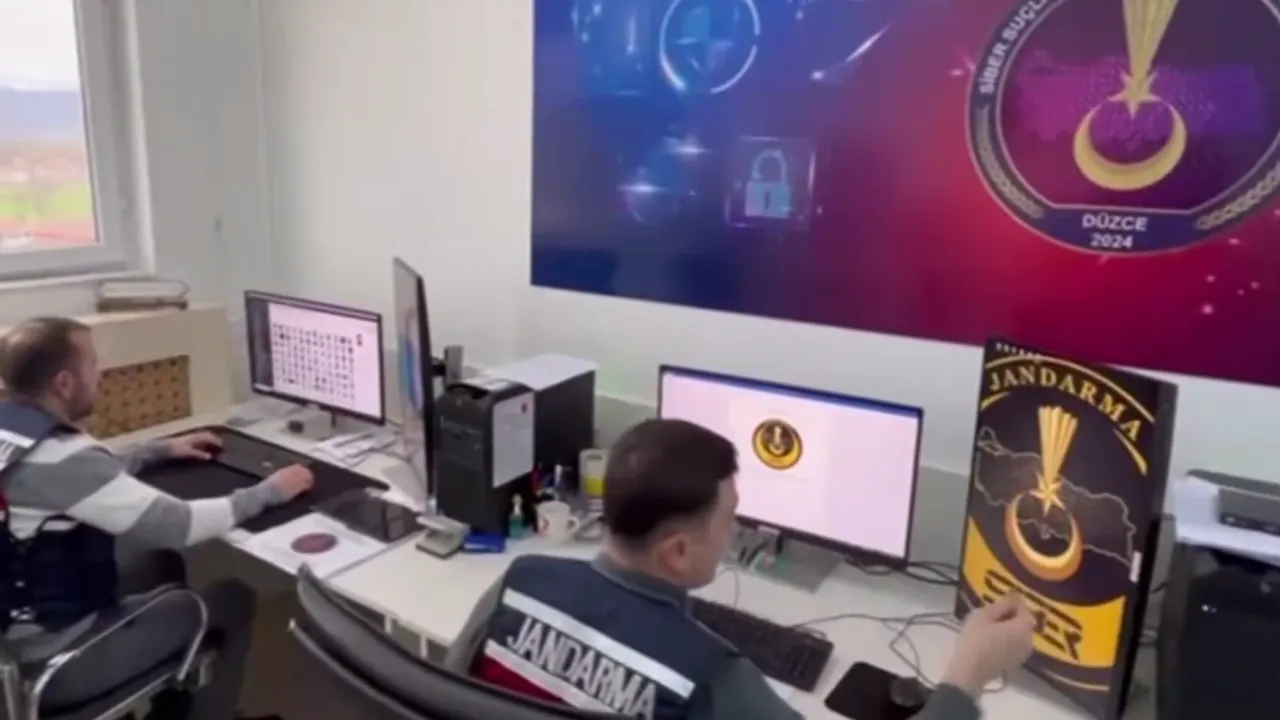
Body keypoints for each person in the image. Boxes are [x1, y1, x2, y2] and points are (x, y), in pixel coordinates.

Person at [444, 418, 1035, 720]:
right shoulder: (710, 676)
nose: (736, 531)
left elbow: (443, 696)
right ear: (678, 552)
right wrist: (967, 676)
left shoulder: (519, 583)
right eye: (730, 518)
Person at [0, 316, 315, 720]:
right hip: (57, 662)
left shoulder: (14, 433)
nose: (101, 374)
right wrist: (269, 492)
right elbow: (181, 526)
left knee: (161, 566)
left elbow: (74, 481)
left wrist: (156, 451)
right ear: (64, 383)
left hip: (17, 637)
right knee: (233, 598)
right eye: (93, 364)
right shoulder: (64, 457)